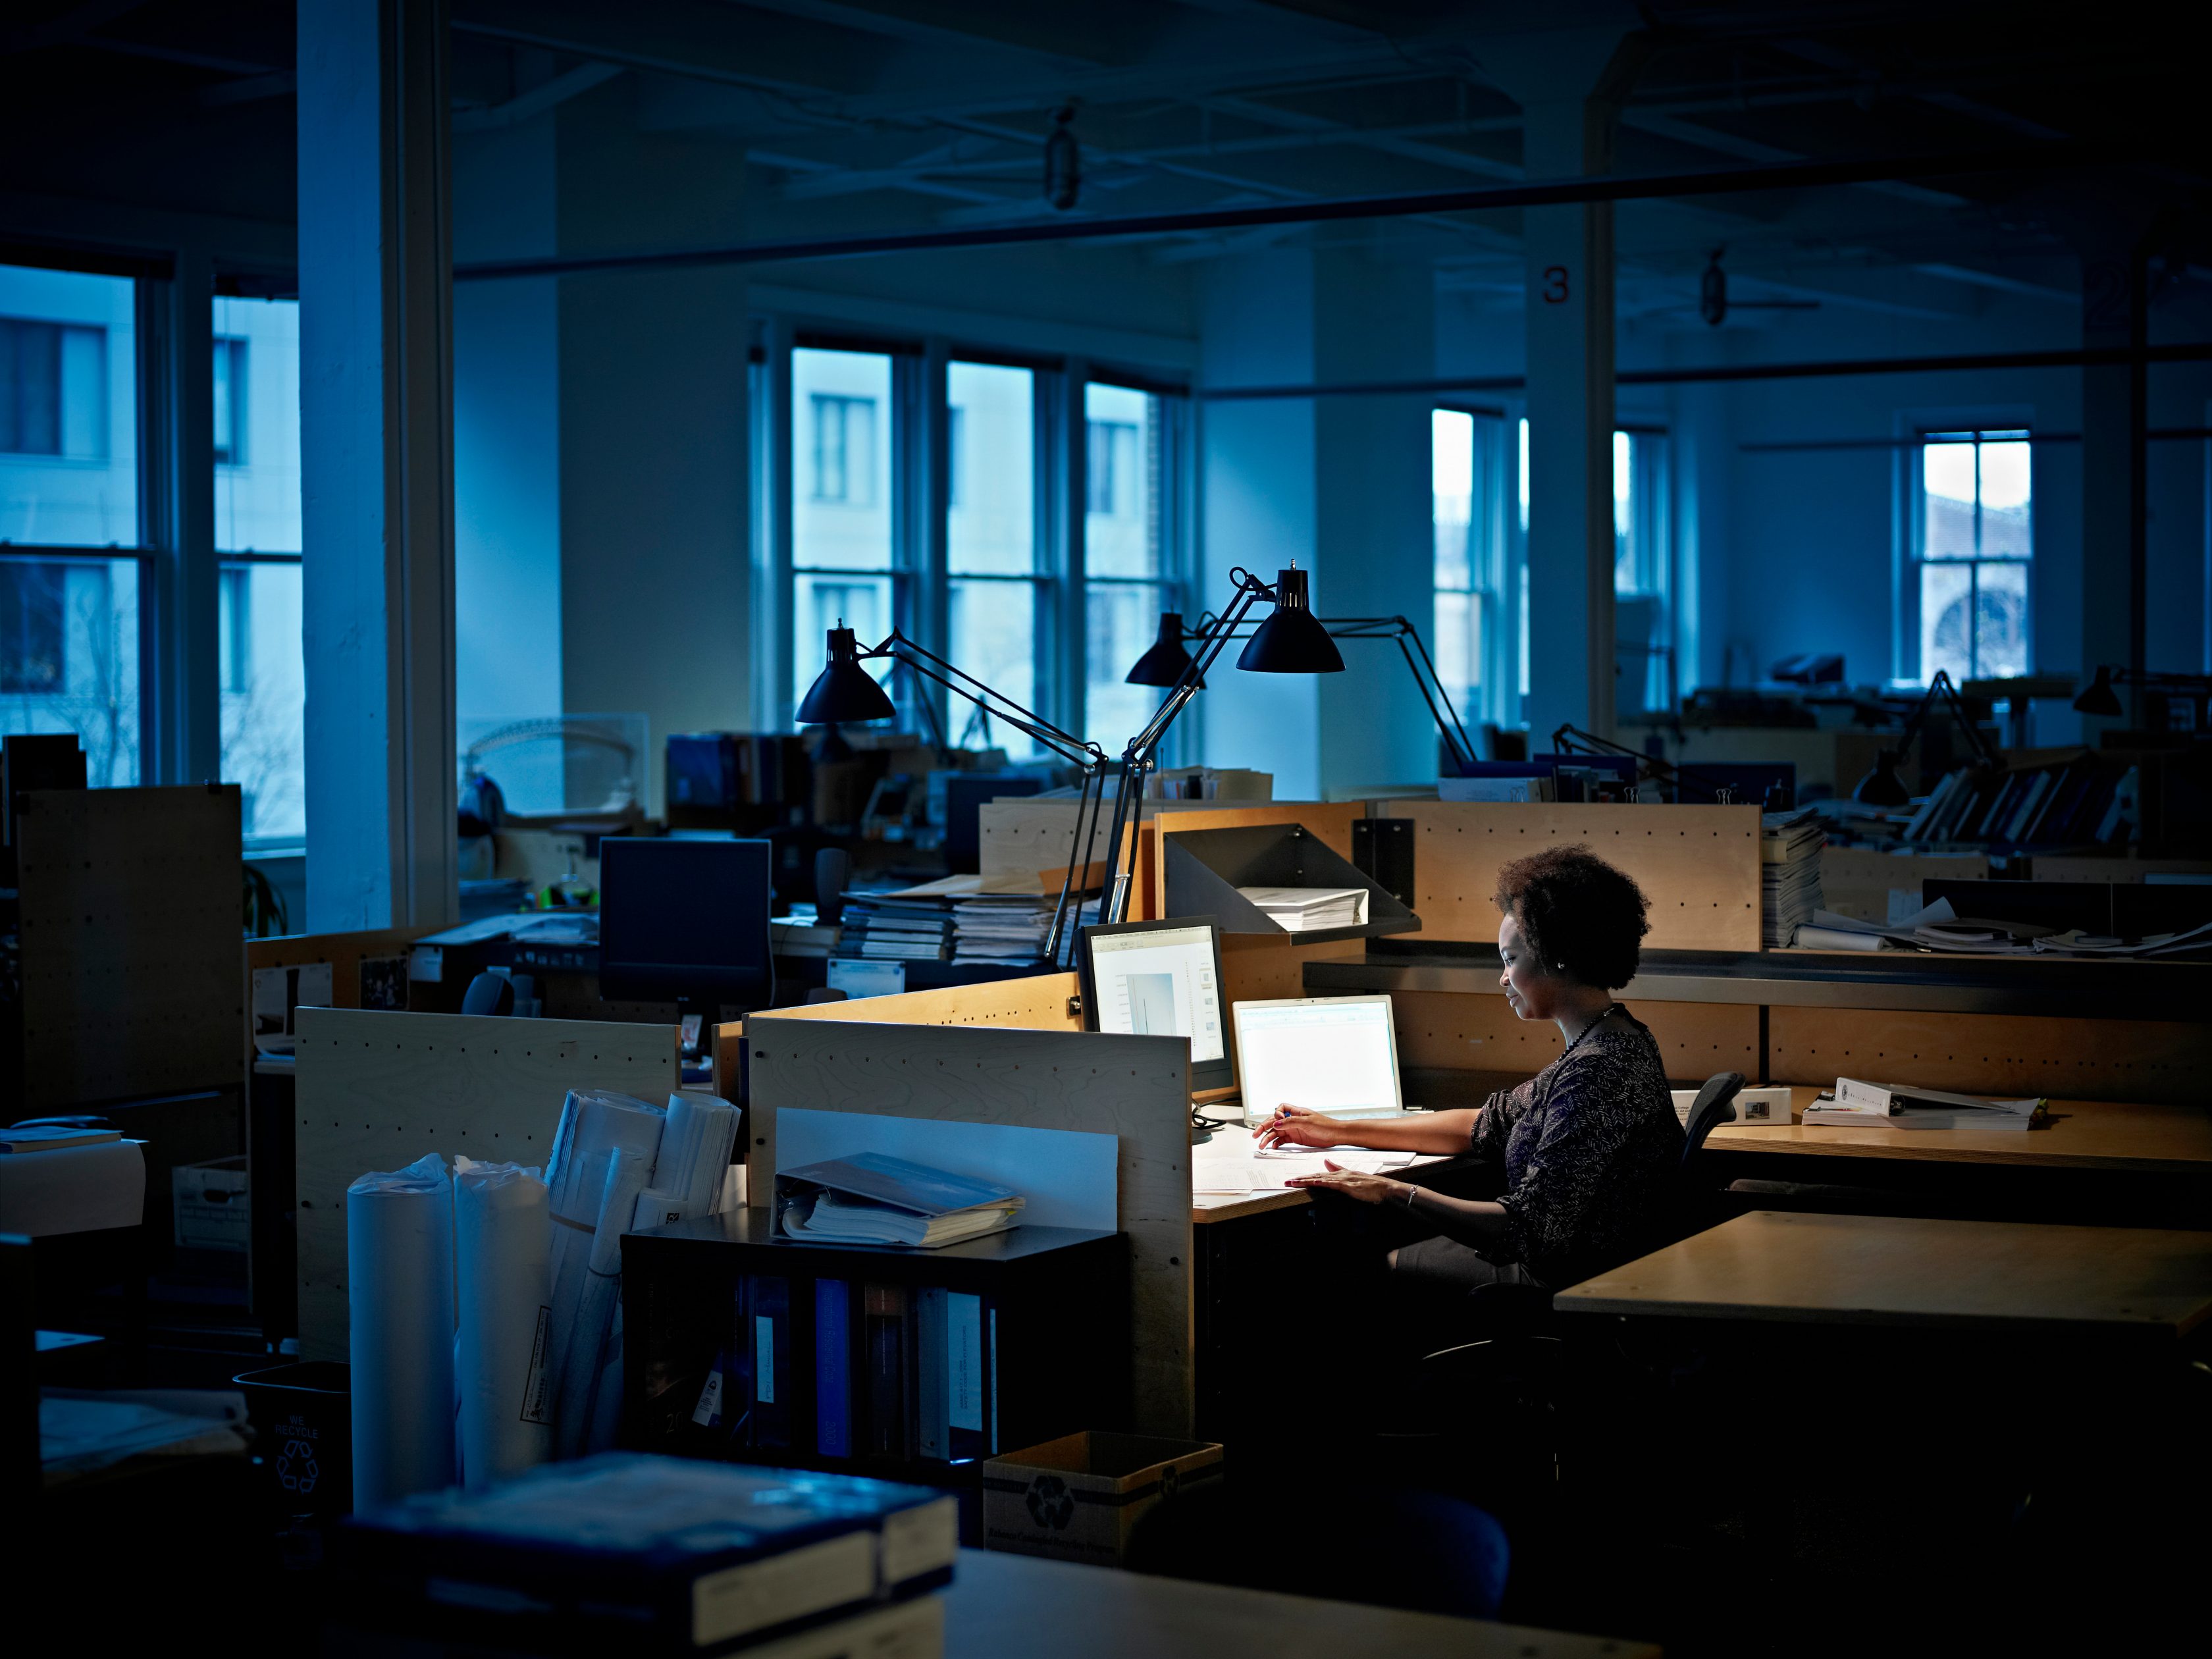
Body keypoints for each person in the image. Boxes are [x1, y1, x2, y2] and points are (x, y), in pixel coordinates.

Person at [1257, 844, 1683, 1294]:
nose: (1503, 978)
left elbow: (1525, 1230)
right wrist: (1339, 1130)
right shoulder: (1613, 1037)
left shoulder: (1599, 1073)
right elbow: (1483, 1124)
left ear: (1558, 955)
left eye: (1510, 960)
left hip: (1565, 1282)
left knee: (1342, 1264)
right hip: (1579, 1267)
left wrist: (1393, 1191)